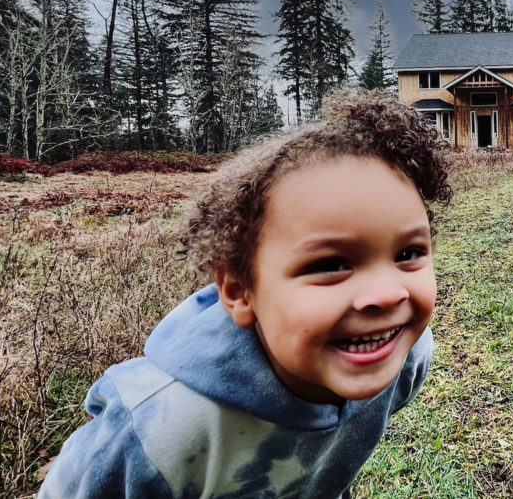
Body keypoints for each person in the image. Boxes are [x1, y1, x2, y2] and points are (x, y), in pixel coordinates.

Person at [38, 91, 453, 498]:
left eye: (408, 253)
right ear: (239, 291)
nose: (384, 295)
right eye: (330, 265)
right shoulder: (160, 431)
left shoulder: (404, 357)